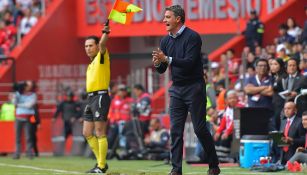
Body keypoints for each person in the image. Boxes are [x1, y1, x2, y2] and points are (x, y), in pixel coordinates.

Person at [152, 5, 220, 175]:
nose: (164, 20)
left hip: (194, 87)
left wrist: (166, 58)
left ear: (178, 19)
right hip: (177, 89)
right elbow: (162, 69)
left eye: (167, 17)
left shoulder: (193, 37)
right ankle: (176, 169)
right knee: (175, 130)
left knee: (199, 129)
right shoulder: (165, 40)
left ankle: (214, 164)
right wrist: (158, 63)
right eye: (164, 17)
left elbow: (189, 63)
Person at [82, 21, 111, 173]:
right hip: (91, 99)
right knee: (87, 132)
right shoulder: (91, 63)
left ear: (97, 46)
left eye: (91, 45)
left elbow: (103, 43)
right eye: (86, 46)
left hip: (100, 97)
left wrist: (105, 33)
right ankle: (101, 163)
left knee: (100, 132)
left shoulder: (102, 56)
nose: (88, 48)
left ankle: (101, 166)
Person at [12, 80, 37, 159]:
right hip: (19, 117)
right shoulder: (17, 94)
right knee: (17, 137)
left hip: (29, 117)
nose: (28, 87)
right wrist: (16, 97)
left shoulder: (33, 95)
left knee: (29, 136)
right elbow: (13, 103)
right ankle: (17, 153)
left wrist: (19, 105)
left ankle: (29, 153)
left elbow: (29, 105)